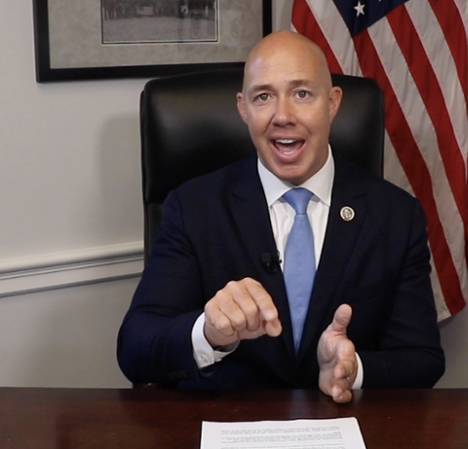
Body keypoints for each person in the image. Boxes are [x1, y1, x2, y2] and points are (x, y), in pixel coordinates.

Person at [117, 30, 444, 403]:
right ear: (243, 109)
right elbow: (135, 349)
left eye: (302, 94)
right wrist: (208, 333)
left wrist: (353, 369)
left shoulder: (395, 216)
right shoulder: (193, 208)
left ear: (332, 103)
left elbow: (422, 359)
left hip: (341, 420)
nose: (283, 116)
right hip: (228, 420)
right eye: (263, 97)